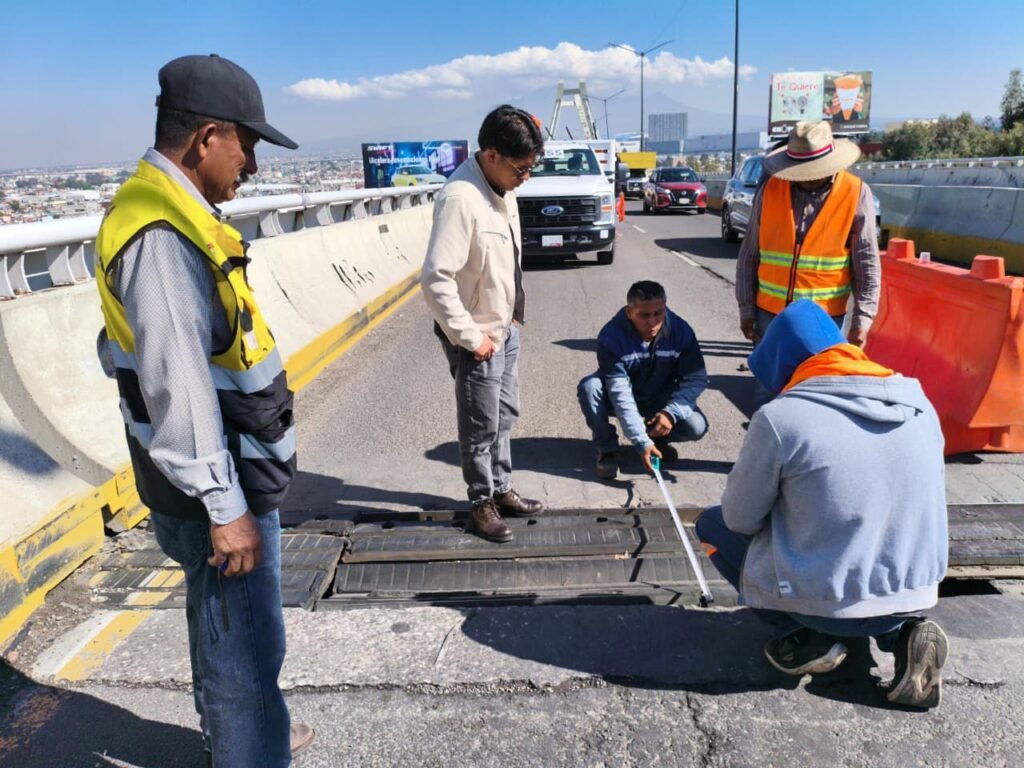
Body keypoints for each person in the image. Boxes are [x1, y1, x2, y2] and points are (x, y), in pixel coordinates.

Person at [94, 55, 313, 767]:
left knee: (222, 627)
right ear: (206, 137)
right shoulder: (162, 237)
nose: (253, 162)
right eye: (246, 144)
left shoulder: (157, 211)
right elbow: (178, 384)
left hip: (210, 471)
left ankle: (246, 733)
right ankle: (251, 745)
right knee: (246, 646)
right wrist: (225, 506)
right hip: (220, 482)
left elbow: (124, 349)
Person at [696, 300, 949, 709]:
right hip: (914, 590)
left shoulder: (782, 417)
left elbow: (739, 519)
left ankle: (805, 635)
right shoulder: (920, 404)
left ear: (783, 362)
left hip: (821, 602)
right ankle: (904, 634)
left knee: (712, 524)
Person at [421, 105, 546, 544]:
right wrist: (471, 338)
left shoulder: (503, 187)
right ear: (492, 155)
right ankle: (481, 502)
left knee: (505, 415)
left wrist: (514, 311)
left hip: (504, 326)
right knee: (480, 424)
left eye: (531, 168)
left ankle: (502, 487)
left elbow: (507, 256)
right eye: (521, 168)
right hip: (477, 335)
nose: (525, 177)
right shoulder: (461, 199)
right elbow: (435, 279)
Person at [735, 120, 880, 358]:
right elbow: (749, 255)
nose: (809, 177)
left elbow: (867, 265)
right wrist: (746, 309)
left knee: (817, 380)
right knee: (769, 381)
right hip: (770, 317)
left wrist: (862, 321)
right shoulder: (770, 190)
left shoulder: (855, 193)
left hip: (825, 322)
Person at [577, 280, 709, 479]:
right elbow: (619, 392)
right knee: (590, 387)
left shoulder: (681, 331)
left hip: (660, 396)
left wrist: (671, 413)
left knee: (696, 426)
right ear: (629, 312)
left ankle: (657, 438)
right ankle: (607, 449)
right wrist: (640, 442)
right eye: (644, 315)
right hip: (622, 395)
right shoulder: (611, 336)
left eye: (658, 313)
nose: (652, 322)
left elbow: (696, 379)